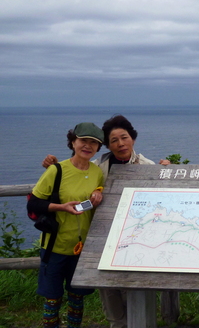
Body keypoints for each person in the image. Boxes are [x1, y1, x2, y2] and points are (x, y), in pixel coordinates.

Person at [42, 114, 169, 328]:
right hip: (103, 237)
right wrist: (52, 165)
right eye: (114, 140)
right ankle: (116, 324)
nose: (120, 144)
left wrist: (168, 170)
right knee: (108, 287)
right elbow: (72, 174)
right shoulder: (96, 167)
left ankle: (138, 322)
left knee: (135, 285)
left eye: (124, 137)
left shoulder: (148, 166)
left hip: (137, 237)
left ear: (133, 139)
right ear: (107, 145)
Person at [28, 122, 105, 328]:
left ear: (98, 148)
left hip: (81, 248)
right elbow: (34, 202)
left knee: (77, 298)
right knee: (52, 299)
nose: (87, 146)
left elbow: (96, 194)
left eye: (94, 143)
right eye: (83, 141)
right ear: (73, 142)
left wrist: (98, 194)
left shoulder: (97, 172)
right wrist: (61, 207)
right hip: (55, 245)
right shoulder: (57, 170)